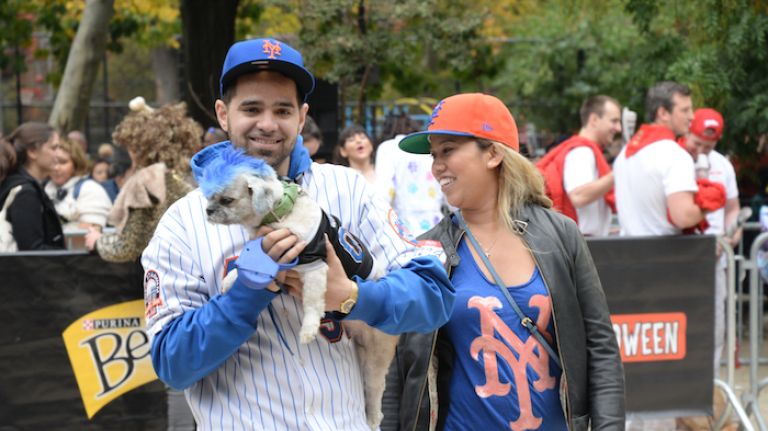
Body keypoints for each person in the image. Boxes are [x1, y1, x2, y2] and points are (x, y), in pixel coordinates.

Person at [142, 37, 455, 430]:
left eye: (283, 110)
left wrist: (351, 297)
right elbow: (171, 365)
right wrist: (242, 297)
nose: (268, 123)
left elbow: (434, 296)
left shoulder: (348, 189)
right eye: (252, 108)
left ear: (302, 116)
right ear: (223, 114)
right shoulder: (184, 222)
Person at [382, 93, 625, 430]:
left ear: (493, 153)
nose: (437, 166)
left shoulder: (560, 235)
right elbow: (403, 369)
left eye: (448, 150)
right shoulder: (428, 252)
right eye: (434, 154)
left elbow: (600, 347)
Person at [680, 108, 741, 431]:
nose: (703, 150)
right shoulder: (674, 159)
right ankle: (675, 407)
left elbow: (732, 209)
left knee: (713, 330)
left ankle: (707, 404)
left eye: (709, 144)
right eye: (699, 142)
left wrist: (732, 233)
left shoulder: (723, 165)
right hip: (676, 262)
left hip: (714, 259)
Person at [84, 101, 200, 262]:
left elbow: (127, 248)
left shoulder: (146, 181)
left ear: (140, 146)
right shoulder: (183, 179)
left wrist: (97, 241)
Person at [613, 81, 725, 236]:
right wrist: (711, 202)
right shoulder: (675, 155)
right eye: (685, 110)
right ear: (663, 113)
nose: (692, 116)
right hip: (666, 254)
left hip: (628, 253)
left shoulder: (625, 154)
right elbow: (683, 217)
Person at [536, 95, 621, 236]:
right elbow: (578, 196)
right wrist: (617, 173)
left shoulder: (581, 150)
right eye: (614, 121)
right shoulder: (582, 152)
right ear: (594, 119)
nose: (618, 128)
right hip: (582, 244)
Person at [375, 112, 445, 236]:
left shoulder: (387, 148)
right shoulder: (427, 148)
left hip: (404, 227)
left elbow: (385, 192)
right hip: (436, 223)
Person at [0, 122, 64, 250]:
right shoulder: (25, 193)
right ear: (33, 152)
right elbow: (32, 252)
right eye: (54, 148)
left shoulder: (20, 185)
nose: (59, 154)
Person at [44, 138, 112, 231]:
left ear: (76, 164)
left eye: (63, 162)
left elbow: (91, 233)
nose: (56, 168)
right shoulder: (45, 189)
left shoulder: (91, 189)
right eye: (52, 162)